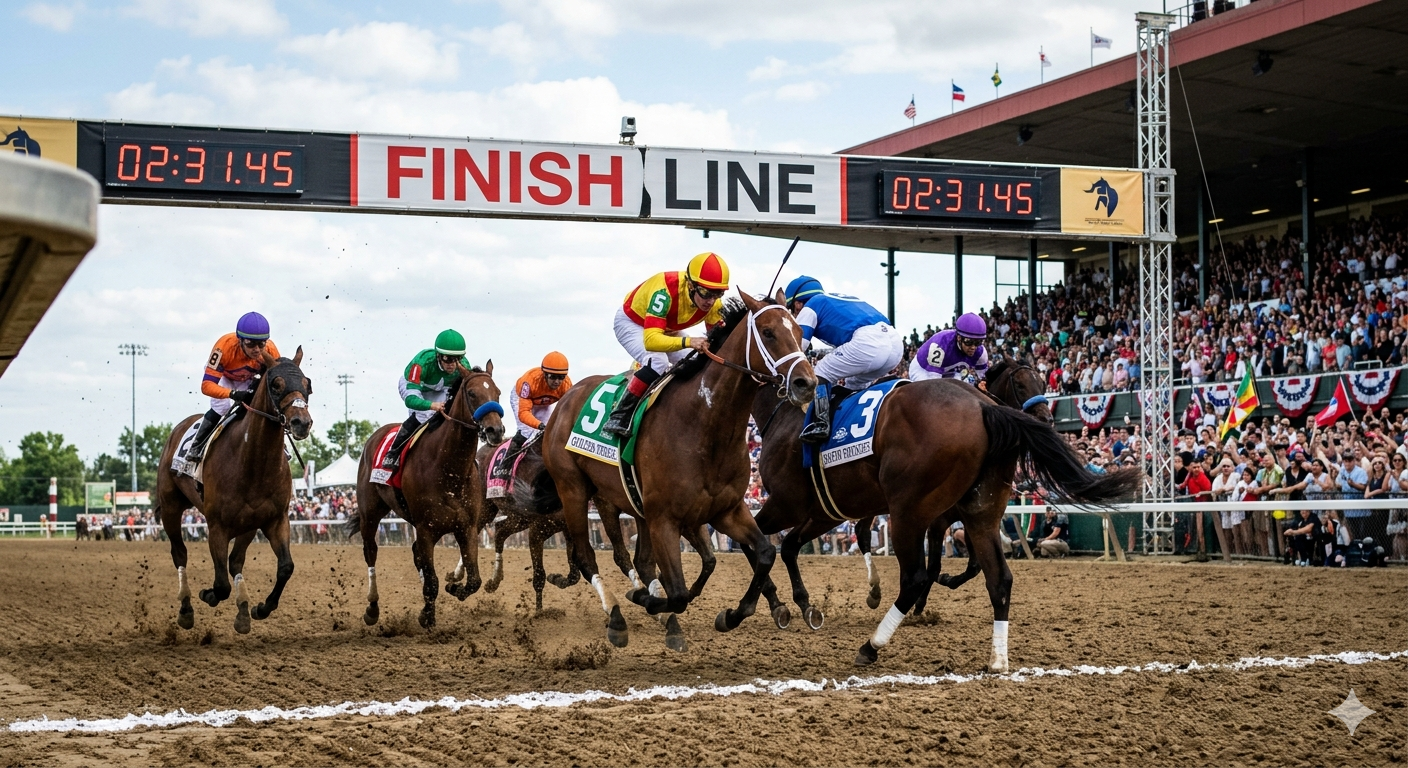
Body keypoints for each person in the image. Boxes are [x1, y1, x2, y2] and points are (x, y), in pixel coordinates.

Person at [602, 252, 730, 439]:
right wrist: (688, 341)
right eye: (705, 293)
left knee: (700, 361)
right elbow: (652, 340)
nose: (711, 301)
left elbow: (717, 343)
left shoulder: (713, 303)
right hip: (634, 323)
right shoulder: (664, 292)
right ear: (690, 284)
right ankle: (620, 414)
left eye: (718, 294)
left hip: (667, 328)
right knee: (658, 361)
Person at [783, 276, 904, 443]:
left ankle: (821, 424)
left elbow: (799, 347)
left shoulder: (810, 305)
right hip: (895, 343)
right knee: (854, 385)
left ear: (797, 304)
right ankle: (855, 425)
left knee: (821, 370)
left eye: (792, 310)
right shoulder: (836, 299)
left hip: (868, 342)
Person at [188, 312, 282, 462]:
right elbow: (206, 386)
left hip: (248, 378)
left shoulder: (270, 350)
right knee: (223, 406)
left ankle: (279, 445)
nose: (257, 349)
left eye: (261, 344)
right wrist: (232, 394)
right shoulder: (223, 347)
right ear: (240, 340)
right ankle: (196, 446)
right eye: (250, 343)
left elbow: (277, 381)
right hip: (224, 376)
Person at [380, 329, 474, 471]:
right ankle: (394, 452)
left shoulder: (464, 366)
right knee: (423, 414)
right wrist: (431, 405)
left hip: (440, 388)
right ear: (438, 355)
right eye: (447, 359)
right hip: (415, 386)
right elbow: (411, 400)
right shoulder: (422, 363)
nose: (452, 364)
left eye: (457, 359)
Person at [507, 352, 572, 453]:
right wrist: (539, 425)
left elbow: (569, 411)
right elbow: (523, 413)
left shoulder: (566, 385)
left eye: (561, 377)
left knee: (546, 434)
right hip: (523, 399)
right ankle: (506, 464)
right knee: (527, 431)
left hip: (543, 403)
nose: (557, 382)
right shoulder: (529, 382)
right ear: (544, 374)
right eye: (553, 376)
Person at [908, 313, 991, 385]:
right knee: (933, 393)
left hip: (951, 371)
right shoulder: (941, 344)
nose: (973, 347)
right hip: (924, 370)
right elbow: (934, 382)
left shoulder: (981, 352)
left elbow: (984, 380)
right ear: (959, 338)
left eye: (978, 342)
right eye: (968, 342)